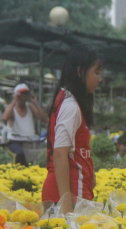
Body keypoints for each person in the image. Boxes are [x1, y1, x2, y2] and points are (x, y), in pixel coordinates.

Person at [42, 46, 103, 213]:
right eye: (96, 72)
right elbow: (60, 154)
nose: (100, 79)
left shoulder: (68, 101)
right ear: (80, 71)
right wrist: (66, 206)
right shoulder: (70, 106)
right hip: (67, 195)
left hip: (69, 192)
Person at [1, 83, 48, 166]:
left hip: (30, 141)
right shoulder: (12, 109)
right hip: (15, 141)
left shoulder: (30, 107)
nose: (23, 97)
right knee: (20, 154)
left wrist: (35, 102)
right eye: (21, 94)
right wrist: (14, 100)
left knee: (42, 155)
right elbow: (5, 117)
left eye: (25, 94)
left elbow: (45, 119)